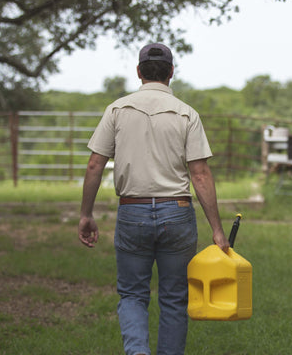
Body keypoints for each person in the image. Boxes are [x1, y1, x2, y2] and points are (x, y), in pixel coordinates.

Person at [78, 43, 229, 355]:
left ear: (139, 72)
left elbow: (95, 164)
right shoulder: (187, 114)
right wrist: (217, 229)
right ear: (171, 73)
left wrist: (86, 214)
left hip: (132, 212)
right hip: (178, 213)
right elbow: (199, 173)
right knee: (174, 296)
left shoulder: (117, 110)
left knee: (132, 295)